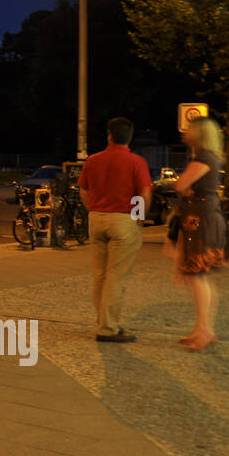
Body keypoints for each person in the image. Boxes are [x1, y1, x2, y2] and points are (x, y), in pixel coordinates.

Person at [77, 117, 151, 343]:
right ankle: (108, 329)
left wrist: (94, 209)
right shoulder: (136, 162)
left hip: (96, 219)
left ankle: (103, 322)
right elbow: (144, 193)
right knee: (116, 277)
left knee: (99, 276)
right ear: (129, 137)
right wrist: (139, 218)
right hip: (122, 220)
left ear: (109, 135)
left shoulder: (93, 160)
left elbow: (83, 189)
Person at [166, 116, 228, 351]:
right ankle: (202, 329)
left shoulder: (203, 157)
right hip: (202, 217)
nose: (185, 131)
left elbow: (180, 185)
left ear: (200, 133)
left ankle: (204, 332)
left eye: (190, 129)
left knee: (197, 276)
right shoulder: (209, 157)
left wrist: (186, 188)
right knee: (199, 276)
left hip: (200, 220)